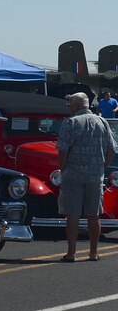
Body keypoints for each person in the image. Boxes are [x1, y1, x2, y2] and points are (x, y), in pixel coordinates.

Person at [56, 92, 117, 262]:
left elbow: (62, 151)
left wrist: (63, 168)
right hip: (95, 175)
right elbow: (112, 149)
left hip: (73, 174)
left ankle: (71, 253)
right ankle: (93, 252)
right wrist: (102, 166)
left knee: (73, 214)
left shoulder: (70, 123)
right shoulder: (102, 121)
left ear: (76, 105)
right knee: (93, 214)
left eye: (70, 105)